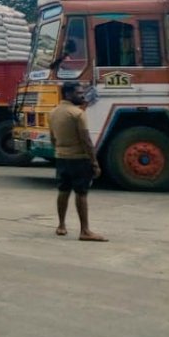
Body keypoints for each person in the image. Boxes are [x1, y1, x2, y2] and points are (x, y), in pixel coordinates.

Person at [49, 81, 106, 241]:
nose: (82, 95)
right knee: (81, 193)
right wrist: (94, 163)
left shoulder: (53, 113)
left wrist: (60, 151)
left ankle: (61, 225)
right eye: (78, 93)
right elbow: (86, 141)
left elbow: (53, 138)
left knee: (63, 191)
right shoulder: (78, 114)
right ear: (68, 94)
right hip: (79, 159)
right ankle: (85, 231)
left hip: (61, 158)